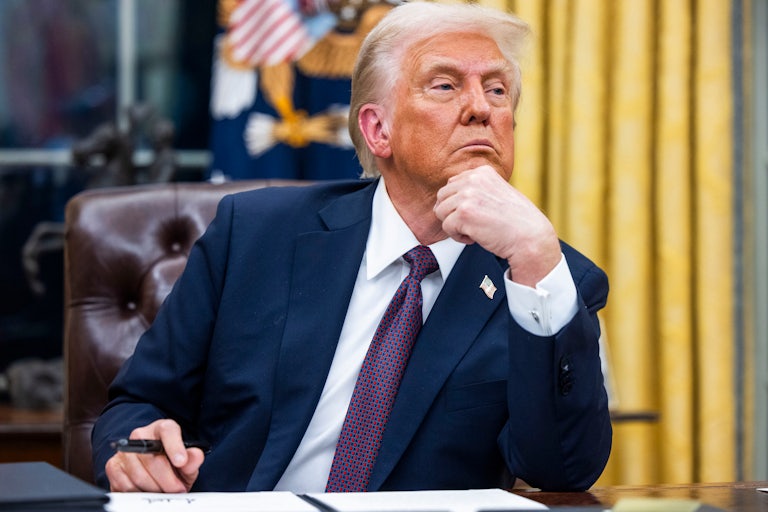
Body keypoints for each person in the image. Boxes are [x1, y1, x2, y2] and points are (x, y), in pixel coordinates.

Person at [92, 0, 612, 494]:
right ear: (377, 129)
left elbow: (563, 470)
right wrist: (138, 449)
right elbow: (138, 402)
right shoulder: (253, 235)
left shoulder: (546, 281)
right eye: (446, 85)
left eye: (497, 91)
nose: (480, 108)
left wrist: (537, 263)